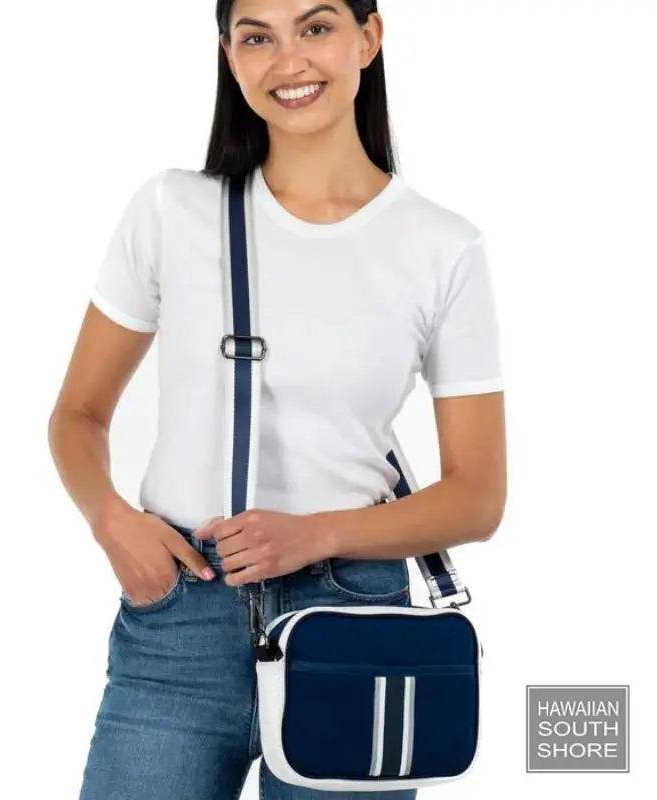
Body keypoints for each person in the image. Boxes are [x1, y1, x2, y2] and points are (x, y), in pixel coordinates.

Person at [47, 1, 507, 797]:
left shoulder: (441, 247)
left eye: (316, 27)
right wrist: (111, 522)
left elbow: (478, 498)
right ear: (230, 55)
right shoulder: (171, 211)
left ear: (369, 37)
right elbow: (77, 415)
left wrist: (312, 535)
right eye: (257, 37)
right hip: (180, 619)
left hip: (352, 617)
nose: (288, 60)